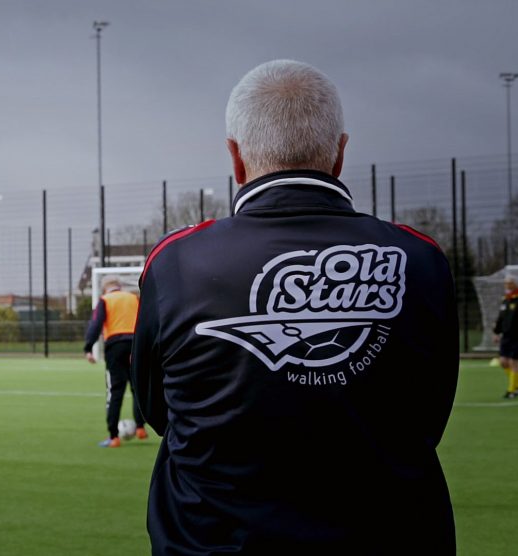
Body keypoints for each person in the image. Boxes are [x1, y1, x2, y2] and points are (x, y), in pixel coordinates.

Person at [131, 60, 458, 554]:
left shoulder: (177, 261)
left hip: (214, 542)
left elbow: (158, 409)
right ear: (340, 153)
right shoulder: (422, 258)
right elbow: (431, 412)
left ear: (236, 158)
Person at [83, 276, 147, 448]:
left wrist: (88, 347)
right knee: (137, 387)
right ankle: (141, 428)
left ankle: (114, 436)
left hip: (115, 346)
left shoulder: (105, 300)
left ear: (105, 289)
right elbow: (147, 320)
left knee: (115, 391)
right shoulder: (133, 298)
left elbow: (96, 324)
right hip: (135, 345)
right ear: (119, 286)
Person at [494, 277, 518, 398]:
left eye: (510, 283)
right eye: (506, 283)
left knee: (513, 362)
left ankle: (511, 390)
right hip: (506, 336)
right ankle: (516, 385)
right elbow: (501, 318)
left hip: (516, 337)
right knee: (503, 362)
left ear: (515, 284)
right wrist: (496, 332)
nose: (507, 285)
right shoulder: (505, 300)